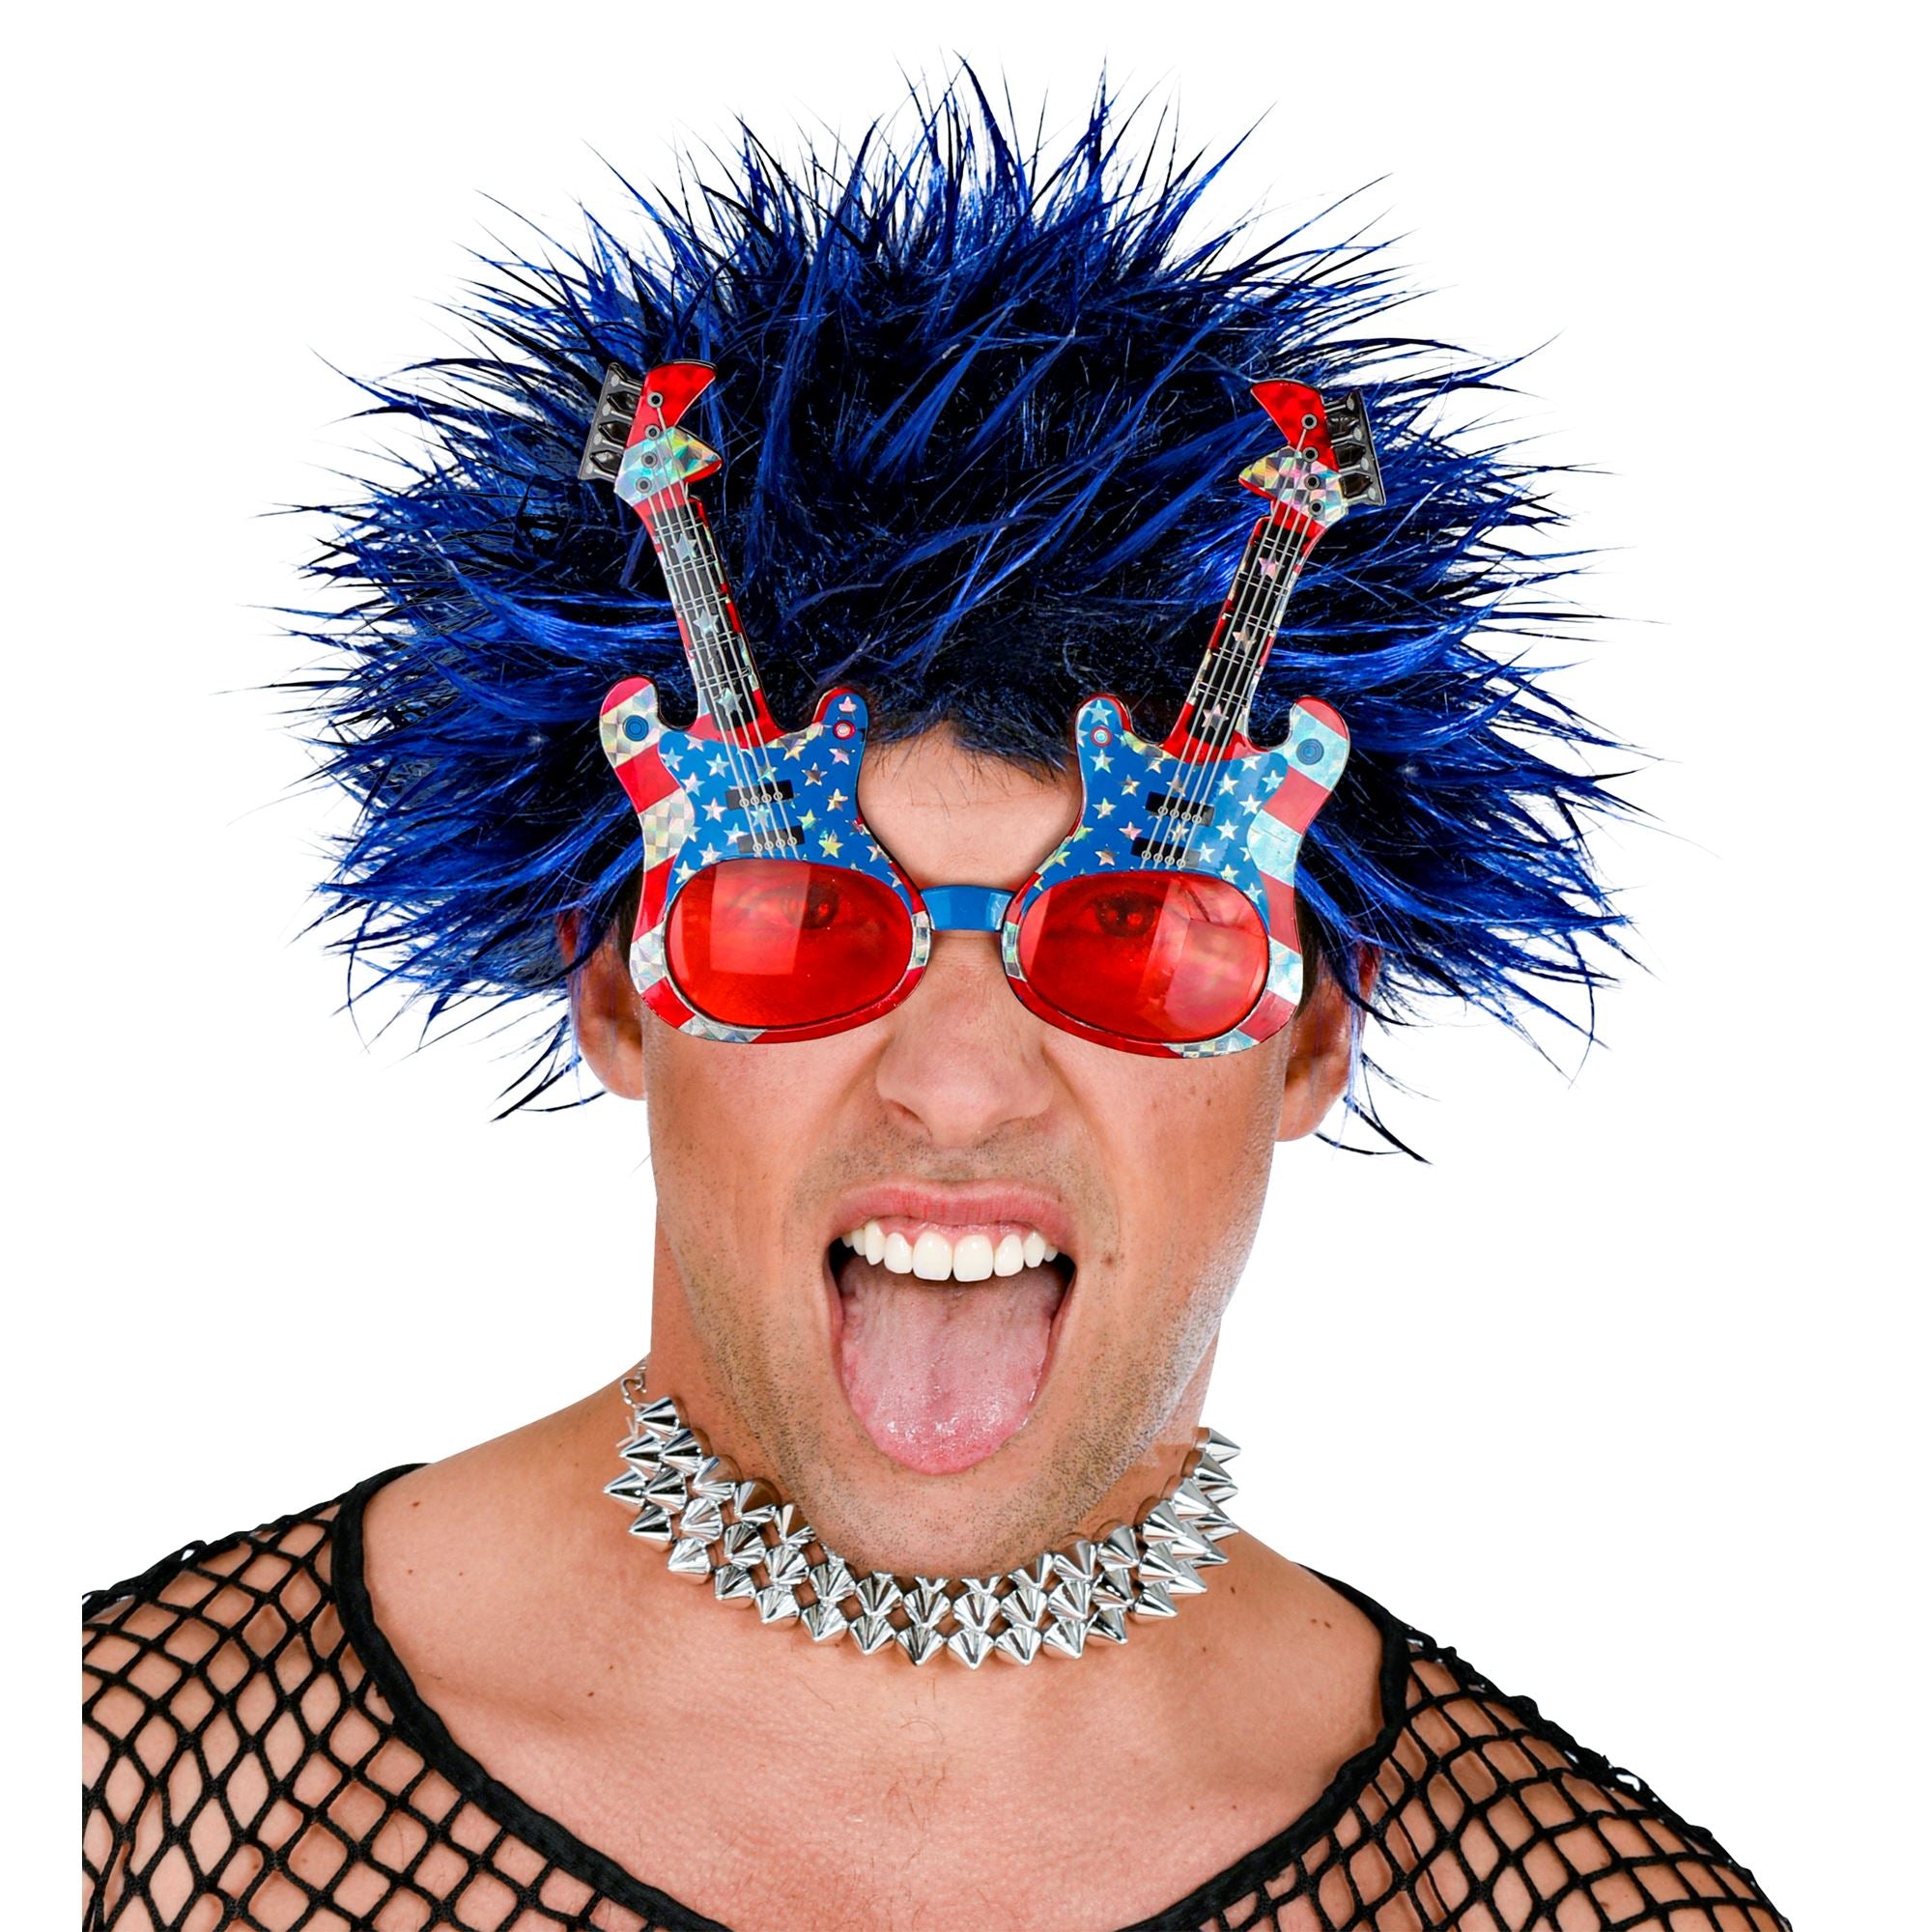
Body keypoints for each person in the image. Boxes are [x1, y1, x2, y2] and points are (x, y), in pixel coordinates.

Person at [81, 76, 1787, 1931]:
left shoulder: (1591, 1912)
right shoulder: (121, 1798)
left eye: (1136, 940)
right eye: (801, 928)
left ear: (1308, 1036)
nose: (959, 1085)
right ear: (625, 998)